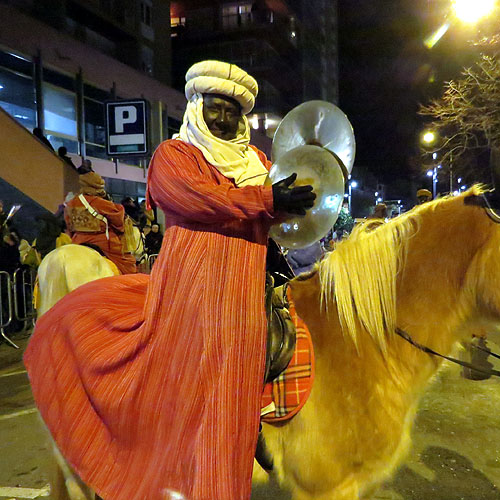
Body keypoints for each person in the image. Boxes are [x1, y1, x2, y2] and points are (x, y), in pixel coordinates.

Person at [24, 60, 315, 500]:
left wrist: (290, 203)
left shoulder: (257, 163)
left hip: (242, 298)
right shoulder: (175, 154)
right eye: (215, 107)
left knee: (236, 400)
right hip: (191, 294)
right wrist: (266, 198)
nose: (223, 118)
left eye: (232, 111)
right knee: (186, 394)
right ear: (198, 107)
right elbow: (193, 197)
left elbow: (266, 211)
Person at [64, 171, 137, 274]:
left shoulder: (71, 203)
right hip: (101, 241)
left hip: (77, 240)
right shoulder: (101, 203)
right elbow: (118, 220)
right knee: (128, 263)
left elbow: (68, 223)